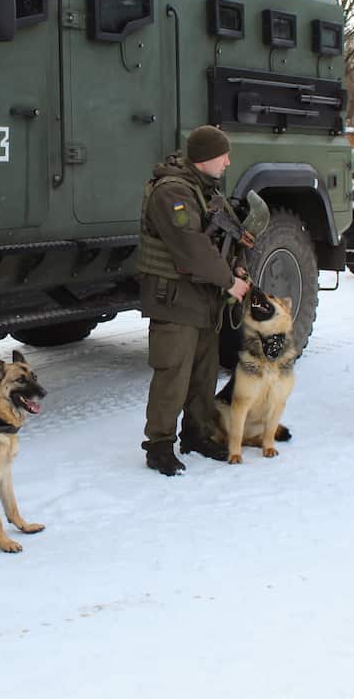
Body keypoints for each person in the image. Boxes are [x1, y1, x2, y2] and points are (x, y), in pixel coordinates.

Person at [137, 125, 252, 475]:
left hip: (202, 298)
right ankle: (159, 445)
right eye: (223, 156)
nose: (228, 162)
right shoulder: (172, 192)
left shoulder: (205, 190)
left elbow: (224, 239)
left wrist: (237, 268)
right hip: (174, 298)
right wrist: (230, 282)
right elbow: (192, 248)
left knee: (203, 374)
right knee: (173, 373)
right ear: (204, 159)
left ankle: (197, 434)